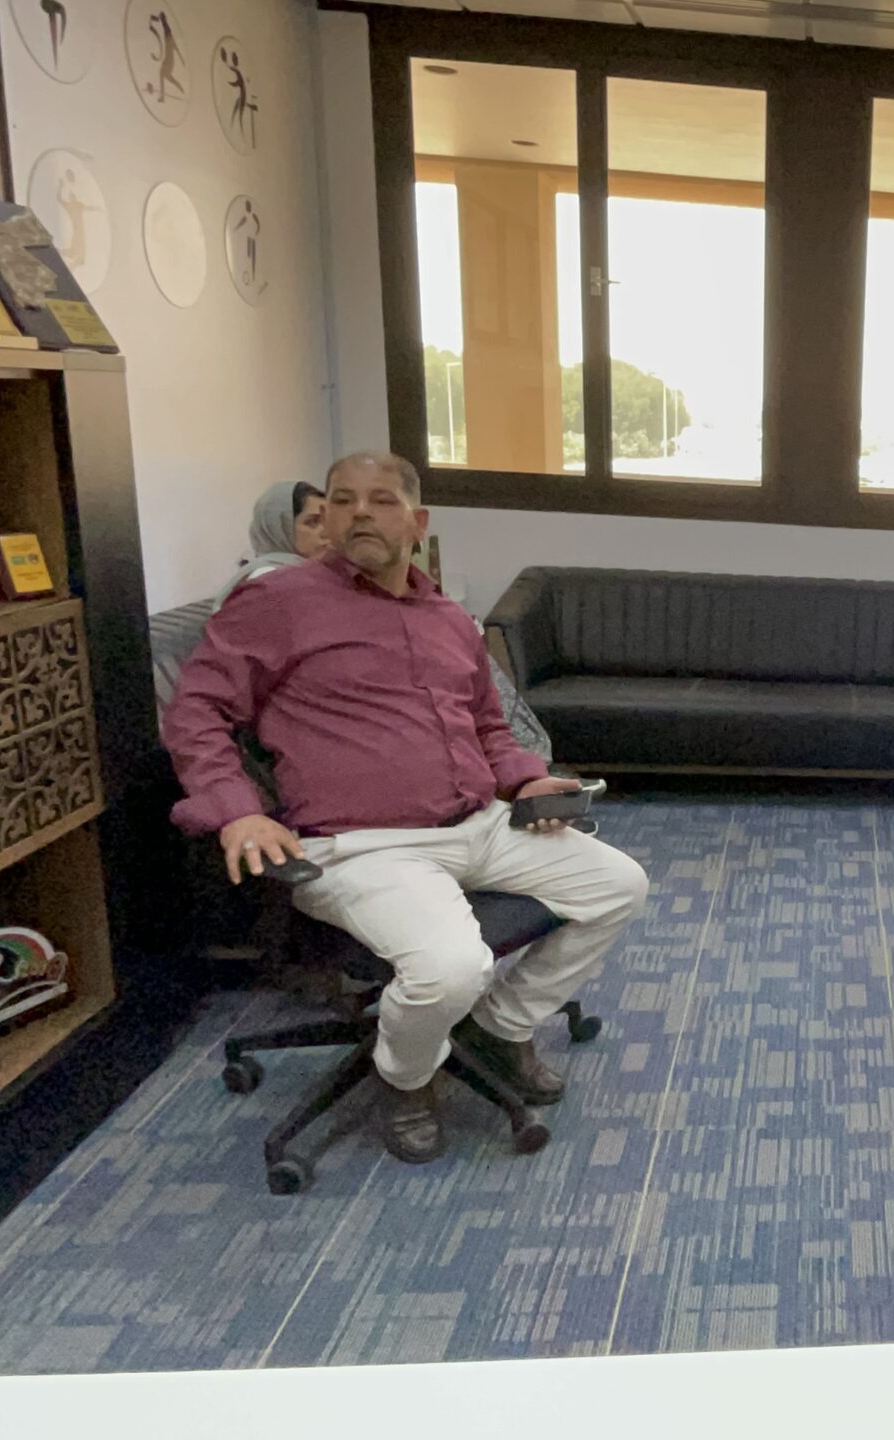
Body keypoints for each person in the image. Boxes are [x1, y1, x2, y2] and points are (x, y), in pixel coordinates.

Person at [163, 451, 649, 1165]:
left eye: (382, 500)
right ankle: (406, 1077)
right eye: (343, 500)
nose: (360, 512)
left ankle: (501, 1027)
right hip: (361, 846)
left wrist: (526, 780)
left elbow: (488, 725)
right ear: (326, 518)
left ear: (417, 523)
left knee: (618, 885)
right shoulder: (278, 602)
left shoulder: (449, 619)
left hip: (476, 824)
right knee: (451, 966)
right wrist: (237, 809)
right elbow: (196, 711)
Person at [222, 480, 328, 599]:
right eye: (312, 522)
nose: (327, 531)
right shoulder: (267, 579)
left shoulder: (315, 573)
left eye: (327, 521)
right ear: (280, 527)